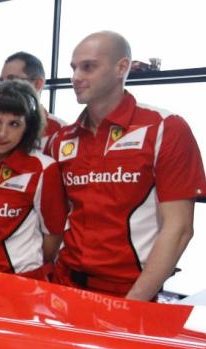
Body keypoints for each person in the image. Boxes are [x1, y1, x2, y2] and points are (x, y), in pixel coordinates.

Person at [48, 31, 206, 300]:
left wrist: (133, 303)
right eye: (73, 68)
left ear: (121, 68)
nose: (75, 77)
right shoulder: (63, 138)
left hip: (126, 292)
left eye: (88, 67)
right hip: (64, 284)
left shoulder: (165, 128)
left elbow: (179, 229)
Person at [0, 80, 67, 279]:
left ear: (28, 128)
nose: (2, 133)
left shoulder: (43, 169)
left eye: (14, 124)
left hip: (22, 279)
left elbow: (53, 236)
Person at [0, 51, 67, 150]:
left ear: (38, 84)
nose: (2, 88)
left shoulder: (61, 132)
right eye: (1, 81)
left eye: (12, 80)